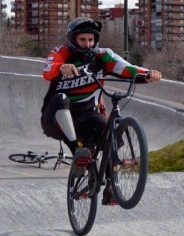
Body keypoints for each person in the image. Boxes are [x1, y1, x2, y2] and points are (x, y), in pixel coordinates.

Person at [41, 17, 162, 205]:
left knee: (109, 133)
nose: (88, 44)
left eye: (91, 40)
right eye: (83, 40)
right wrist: (61, 67)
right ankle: (78, 152)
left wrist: (147, 74)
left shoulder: (103, 56)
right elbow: (48, 71)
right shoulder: (62, 53)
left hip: (88, 115)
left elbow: (127, 68)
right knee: (61, 98)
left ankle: (110, 186)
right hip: (56, 116)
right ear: (73, 39)